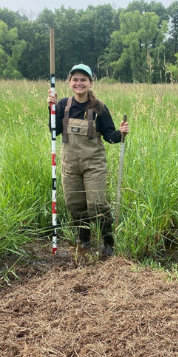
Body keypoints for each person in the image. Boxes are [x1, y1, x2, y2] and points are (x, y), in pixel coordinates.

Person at [47, 64, 130, 256]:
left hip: (94, 165)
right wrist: (50, 108)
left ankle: (108, 245)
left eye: (83, 79)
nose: (79, 83)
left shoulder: (99, 107)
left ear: (91, 82)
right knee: (74, 204)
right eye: (75, 79)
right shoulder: (63, 105)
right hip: (70, 164)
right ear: (69, 82)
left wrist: (121, 133)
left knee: (96, 204)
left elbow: (110, 137)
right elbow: (54, 131)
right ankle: (83, 243)